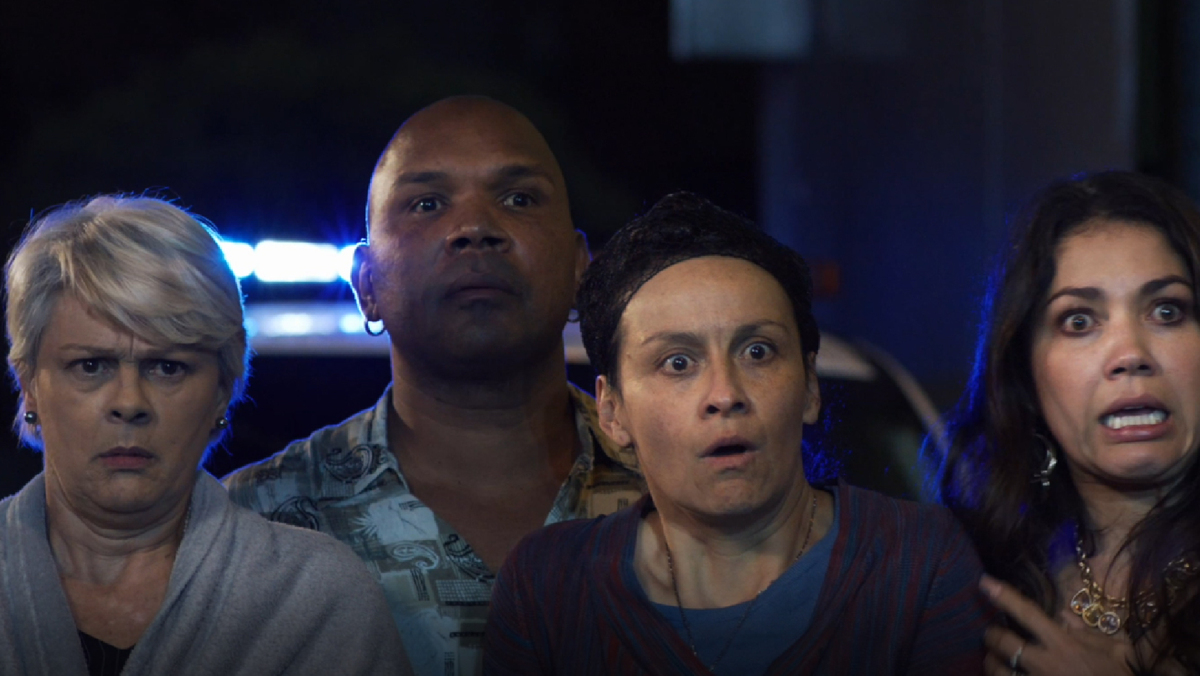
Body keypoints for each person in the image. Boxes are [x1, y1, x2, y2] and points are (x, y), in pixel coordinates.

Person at [484, 192, 990, 675]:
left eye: (757, 352)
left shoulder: (919, 561)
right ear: (612, 411)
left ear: (810, 386)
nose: (725, 394)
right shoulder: (549, 586)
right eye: (677, 363)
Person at [222, 96, 644, 676]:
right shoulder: (251, 525)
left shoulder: (682, 488)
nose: (475, 229)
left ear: (579, 268)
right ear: (366, 284)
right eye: (427, 204)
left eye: (518, 199)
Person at [0, 196, 410, 675]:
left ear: (222, 390)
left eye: (168, 367)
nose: (129, 402)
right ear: (29, 384)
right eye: (91, 365)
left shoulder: (319, 598)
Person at [938, 171, 1200, 675]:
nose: (1130, 354)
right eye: (1079, 321)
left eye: (1167, 311)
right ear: (1025, 374)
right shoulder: (962, 574)